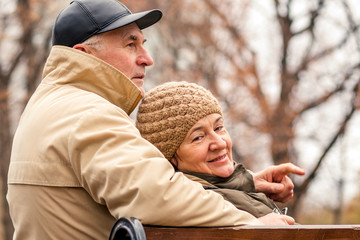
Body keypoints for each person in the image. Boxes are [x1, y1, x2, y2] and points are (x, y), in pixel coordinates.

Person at [7, 0, 303, 239]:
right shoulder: (87, 112)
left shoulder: (49, 105)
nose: (147, 58)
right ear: (85, 54)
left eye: (143, 44)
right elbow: (154, 193)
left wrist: (246, 181)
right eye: (130, 44)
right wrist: (250, 225)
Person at [136, 81, 305, 218]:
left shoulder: (228, 193)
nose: (221, 143)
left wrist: (248, 181)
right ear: (170, 157)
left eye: (218, 128)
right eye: (198, 137)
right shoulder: (211, 209)